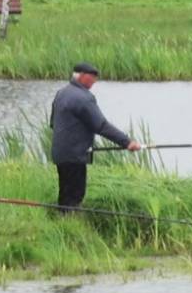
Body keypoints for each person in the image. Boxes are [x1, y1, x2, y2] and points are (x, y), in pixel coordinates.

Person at [50, 62, 140, 209]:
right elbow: (101, 125)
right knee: (76, 194)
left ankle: (63, 221)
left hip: (60, 153)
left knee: (65, 193)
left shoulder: (62, 93)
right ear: (82, 76)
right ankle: (69, 223)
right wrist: (127, 142)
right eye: (92, 78)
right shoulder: (84, 98)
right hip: (75, 156)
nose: (94, 82)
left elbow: (53, 123)